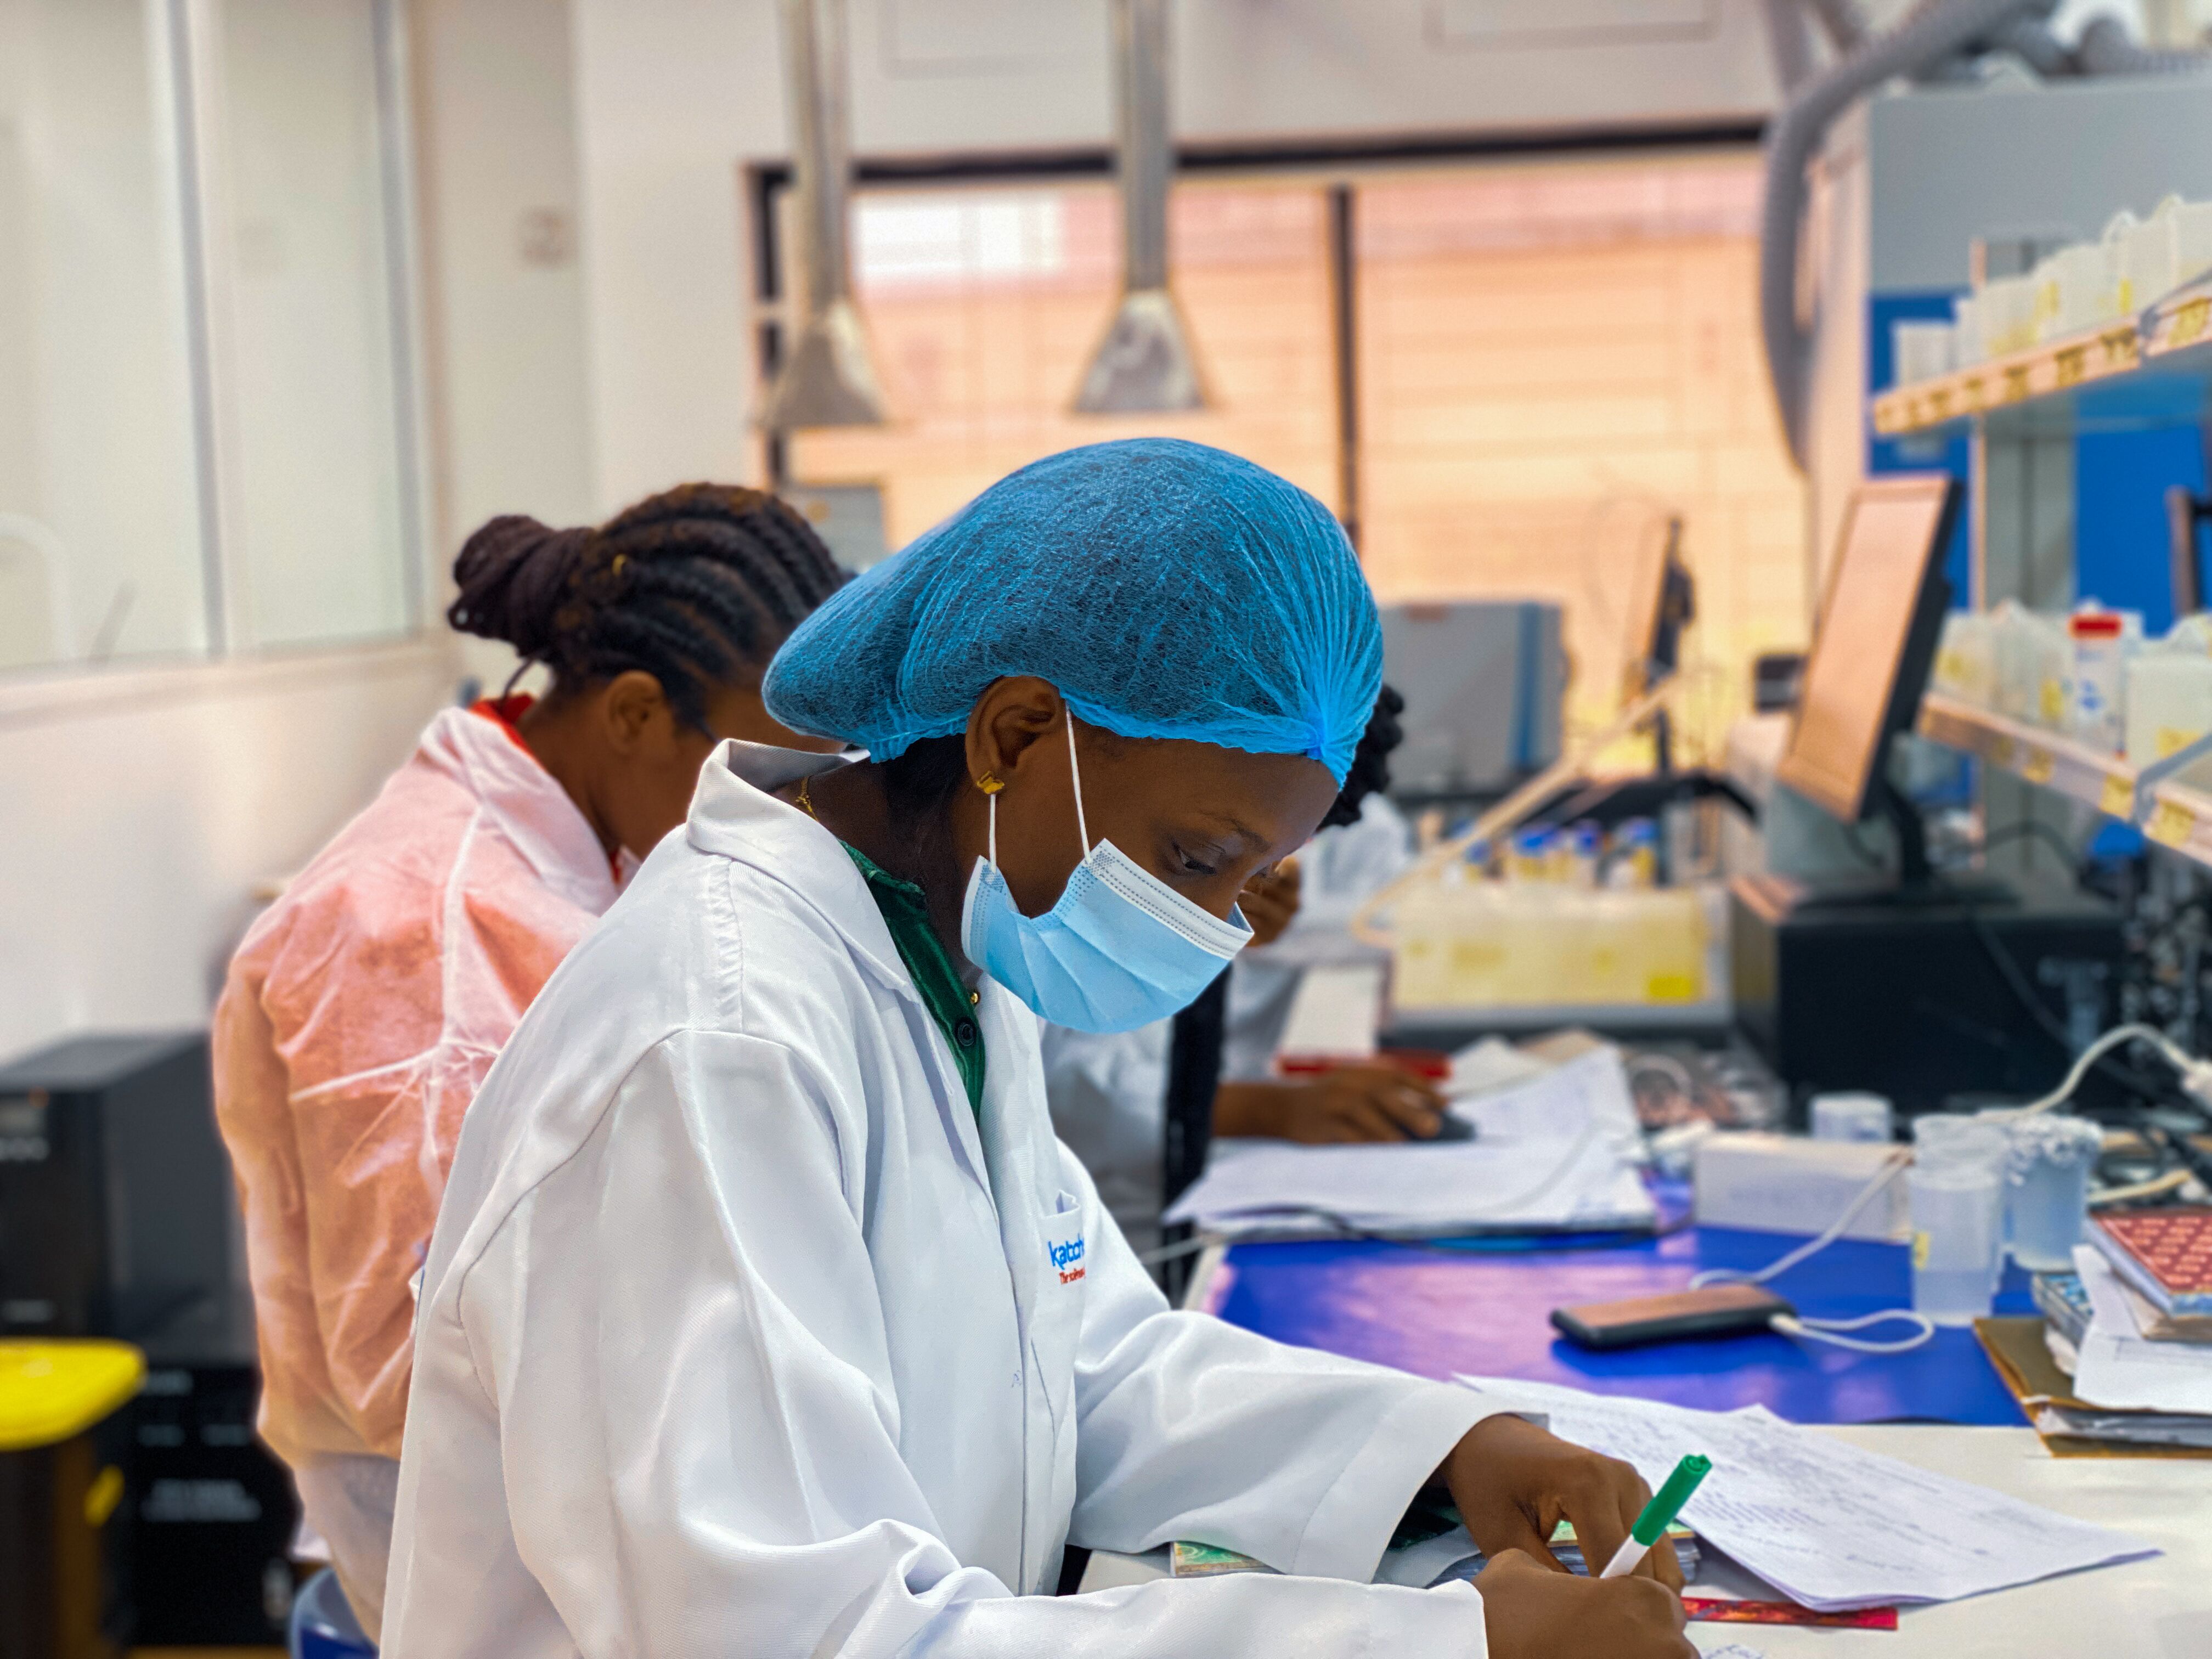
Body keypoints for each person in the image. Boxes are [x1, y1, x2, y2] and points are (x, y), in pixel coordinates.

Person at [381, 439, 1692, 1659]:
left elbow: (1083, 1363)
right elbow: (800, 1635)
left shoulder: (938, 949)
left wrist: (1447, 1450)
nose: (1214, 922)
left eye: (1251, 876)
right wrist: (1448, 1641)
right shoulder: (712, 1043)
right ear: (1014, 736)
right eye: (1197, 858)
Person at [211, 484, 846, 1641]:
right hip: (464, 1589)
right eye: (762, 771)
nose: (785, 816)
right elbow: (410, 1365)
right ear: (639, 713)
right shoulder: (430, 931)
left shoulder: (590, 852)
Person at [1042, 687, 1437, 1256]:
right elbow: (1058, 1089)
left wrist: (1276, 926)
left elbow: (1396, 929)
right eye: (1208, 855)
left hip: (1218, 1195)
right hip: (1100, 1222)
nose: (1262, 874)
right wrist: (1272, 1109)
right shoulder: (1098, 834)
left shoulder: (1349, 810)